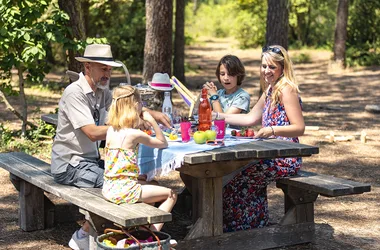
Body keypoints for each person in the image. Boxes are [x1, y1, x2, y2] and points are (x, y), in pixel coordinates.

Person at [50, 44, 171, 250]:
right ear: (87, 67)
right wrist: (127, 129)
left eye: (109, 69)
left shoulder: (103, 92)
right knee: (121, 188)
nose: (107, 74)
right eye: (102, 69)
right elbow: (92, 132)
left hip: (90, 161)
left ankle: (137, 234)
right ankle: (84, 234)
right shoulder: (74, 93)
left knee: (142, 180)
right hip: (70, 165)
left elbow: (118, 115)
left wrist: (147, 114)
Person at [212, 45, 305, 232]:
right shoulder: (271, 90)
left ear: (282, 68)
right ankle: (251, 225)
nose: (266, 71)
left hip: (285, 156)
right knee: (235, 174)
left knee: (237, 179)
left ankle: (243, 228)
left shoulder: (287, 90)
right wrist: (219, 117)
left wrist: (271, 129)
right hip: (269, 152)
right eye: (264, 66)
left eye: (271, 67)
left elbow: (299, 128)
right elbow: (250, 118)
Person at [102, 85, 177, 231]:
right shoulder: (134, 134)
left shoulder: (111, 129)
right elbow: (162, 143)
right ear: (135, 106)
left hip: (109, 187)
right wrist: (152, 121)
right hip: (124, 191)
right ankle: (150, 235)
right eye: (141, 103)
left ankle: (142, 228)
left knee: (152, 183)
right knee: (171, 194)